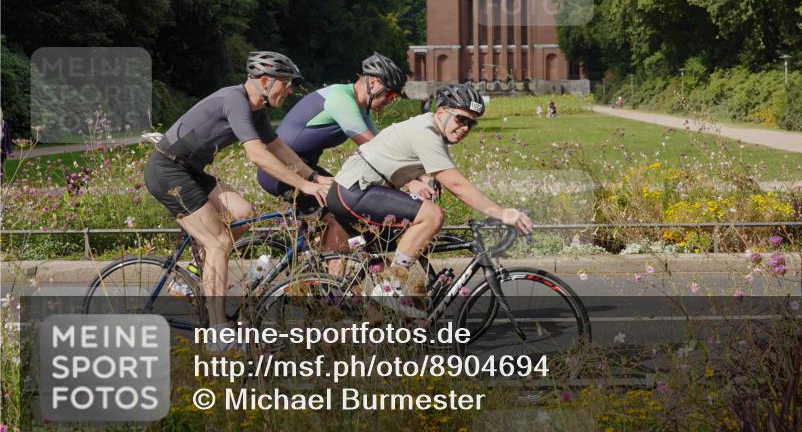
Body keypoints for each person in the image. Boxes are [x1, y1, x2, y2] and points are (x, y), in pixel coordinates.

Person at [144, 51, 331, 340]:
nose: (290, 90)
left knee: (244, 213)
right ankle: (218, 334)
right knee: (218, 242)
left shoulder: (257, 110)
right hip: (167, 170)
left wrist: (313, 177)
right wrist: (303, 186)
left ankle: (195, 273)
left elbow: (277, 148)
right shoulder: (235, 100)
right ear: (265, 81)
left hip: (189, 170)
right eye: (286, 83)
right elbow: (257, 154)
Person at [326, 83, 532, 315]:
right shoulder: (426, 133)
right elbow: (456, 185)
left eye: (471, 123)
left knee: (395, 250)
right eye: (461, 119)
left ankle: (375, 313)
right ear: (442, 112)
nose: (465, 127)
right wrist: (502, 213)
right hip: (353, 190)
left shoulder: (430, 130)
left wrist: (423, 180)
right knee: (432, 215)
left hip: (356, 190)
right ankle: (389, 289)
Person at [256, 52, 430, 272]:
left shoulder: (360, 107)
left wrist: (420, 175)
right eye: (390, 94)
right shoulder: (341, 98)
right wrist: (411, 182)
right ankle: (333, 282)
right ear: (373, 83)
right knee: (339, 213)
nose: (390, 101)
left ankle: (313, 275)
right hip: (280, 171)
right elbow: (372, 147)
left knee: (339, 212)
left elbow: (383, 146)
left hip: (304, 168)